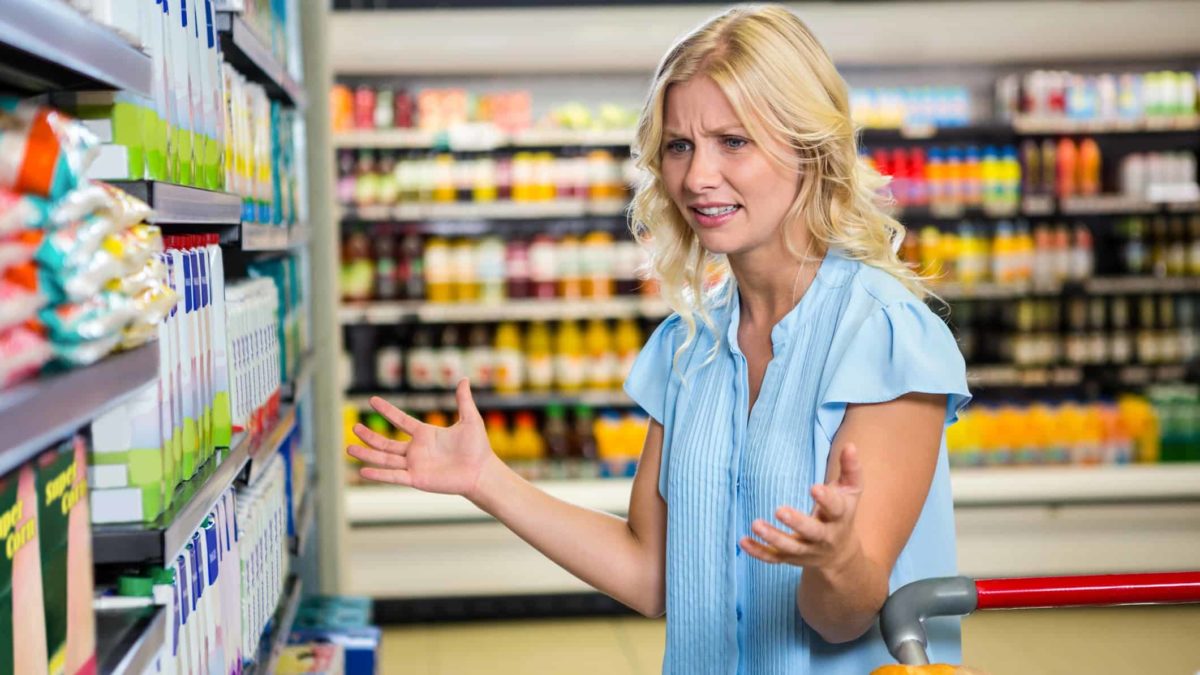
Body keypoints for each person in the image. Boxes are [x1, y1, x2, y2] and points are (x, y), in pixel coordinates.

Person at [347, 4, 970, 673]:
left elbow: (842, 613)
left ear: (808, 148)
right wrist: (486, 479)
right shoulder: (690, 344)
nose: (698, 177)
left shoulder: (882, 332)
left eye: (734, 141)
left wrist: (837, 558)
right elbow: (650, 574)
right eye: (680, 145)